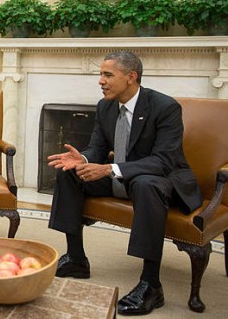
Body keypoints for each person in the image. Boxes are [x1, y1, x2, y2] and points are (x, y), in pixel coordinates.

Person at [47, 51, 202, 316]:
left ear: (131, 77)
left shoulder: (165, 108)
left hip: (160, 180)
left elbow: (163, 161)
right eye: (101, 74)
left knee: (146, 184)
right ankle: (76, 258)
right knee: (68, 172)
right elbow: (98, 146)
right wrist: (82, 158)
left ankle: (151, 284)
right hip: (122, 176)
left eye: (108, 75)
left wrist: (109, 168)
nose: (101, 81)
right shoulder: (105, 106)